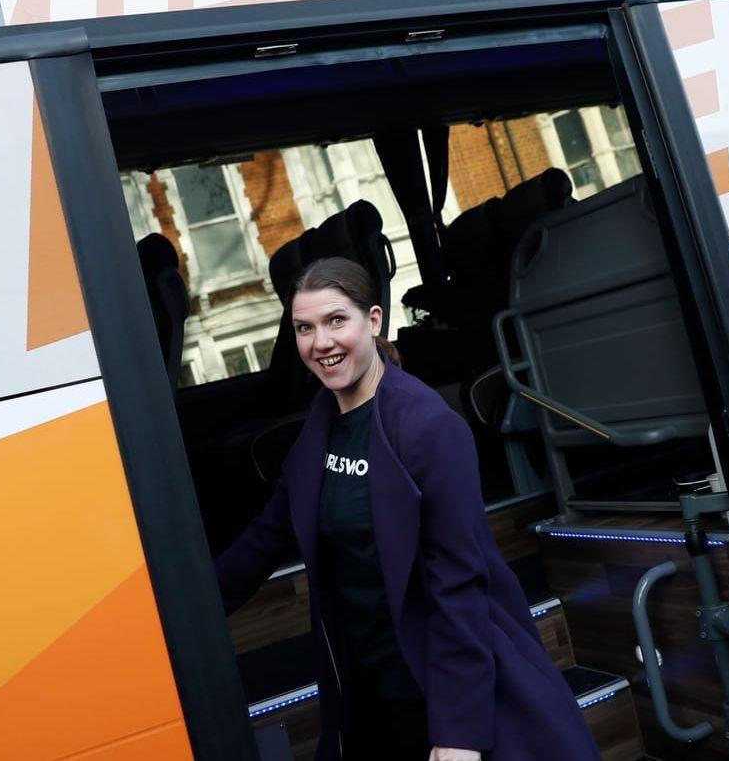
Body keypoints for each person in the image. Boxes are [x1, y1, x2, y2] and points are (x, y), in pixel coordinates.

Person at [215, 257, 601, 761]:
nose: (320, 343)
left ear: (373, 321)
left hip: (435, 685)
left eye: (336, 321)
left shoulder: (426, 427)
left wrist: (459, 733)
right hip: (367, 694)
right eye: (304, 328)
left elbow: (458, 583)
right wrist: (176, 611)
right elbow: (267, 536)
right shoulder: (319, 427)